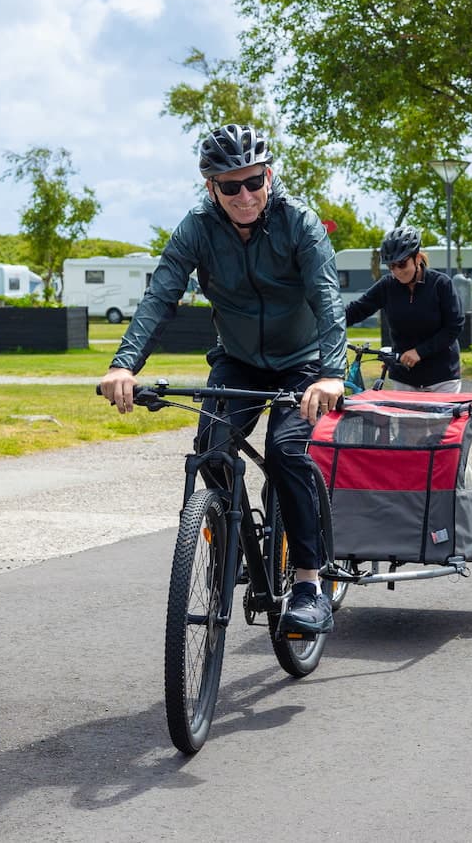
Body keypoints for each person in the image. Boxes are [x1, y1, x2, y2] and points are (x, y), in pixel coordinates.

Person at [99, 123, 346, 636]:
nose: (244, 196)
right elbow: (161, 295)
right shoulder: (196, 227)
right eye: (229, 186)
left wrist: (330, 374)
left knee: (285, 451)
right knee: (211, 447)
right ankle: (233, 534)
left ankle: (307, 581)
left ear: (268, 176)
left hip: (301, 363)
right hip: (237, 359)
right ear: (210, 187)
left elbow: (327, 299)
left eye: (252, 181)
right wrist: (125, 364)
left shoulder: (299, 222)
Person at [344, 225, 464, 391]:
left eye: (401, 264)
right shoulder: (387, 286)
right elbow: (356, 310)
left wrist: (419, 352)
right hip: (404, 377)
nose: (397, 272)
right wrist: (326, 325)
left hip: (442, 378)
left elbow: (454, 327)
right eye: (391, 266)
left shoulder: (441, 284)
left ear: (417, 258)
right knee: (405, 418)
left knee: (442, 418)